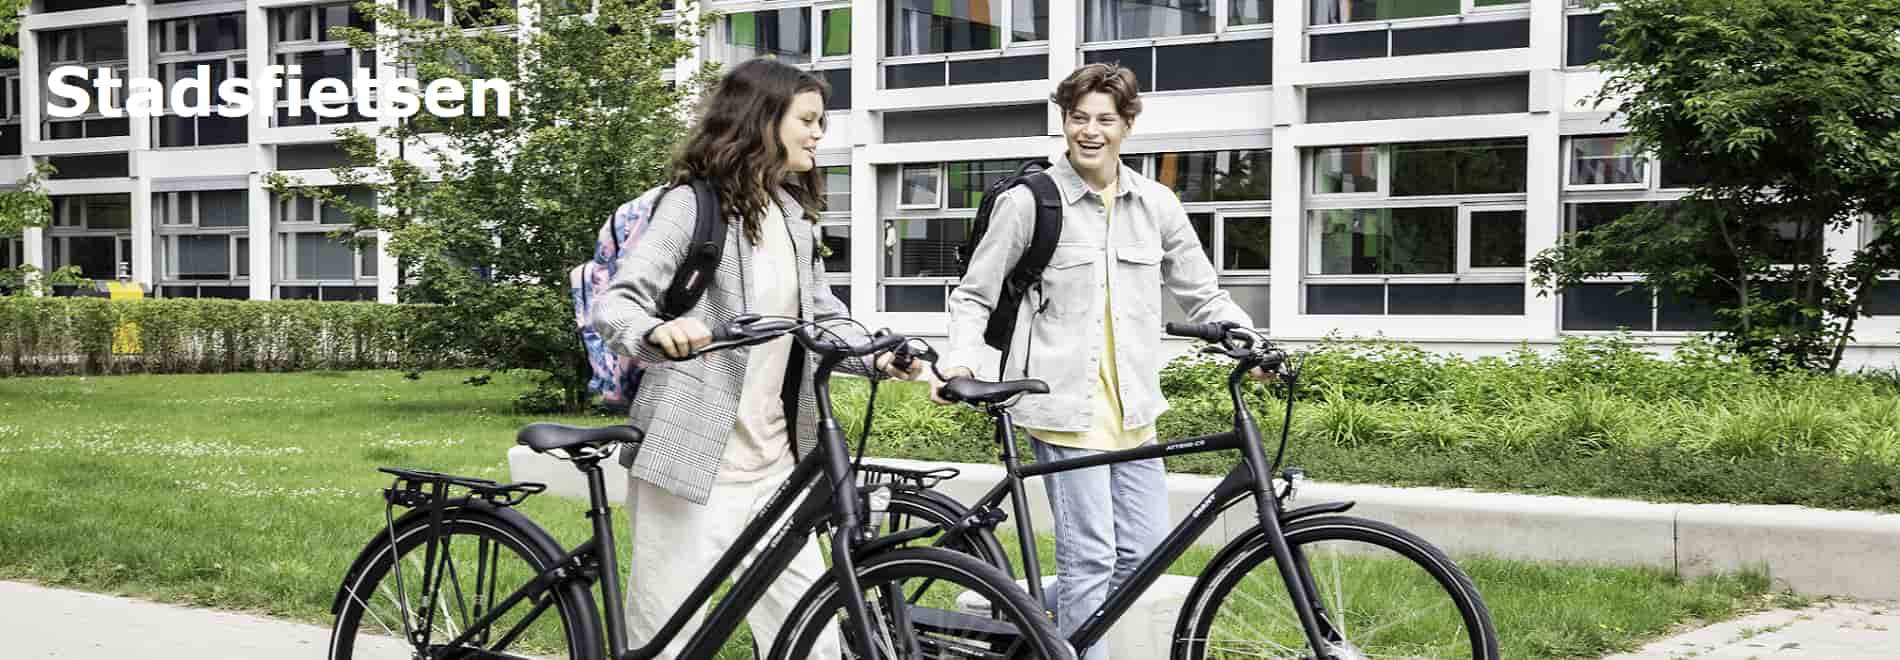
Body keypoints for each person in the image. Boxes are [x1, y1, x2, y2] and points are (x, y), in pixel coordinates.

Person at [930, 63, 1271, 660]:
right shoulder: (1028, 202)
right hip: (1062, 405)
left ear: (1128, 124)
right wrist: (959, 362)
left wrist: (1251, 339)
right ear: (1064, 121)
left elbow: (1202, 292)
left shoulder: (1155, 204)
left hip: (1134, 408)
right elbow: (974, 293)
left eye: (1105, 120)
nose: (1090, 131)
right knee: (1089, 559)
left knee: (1142, 556)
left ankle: (1009, 607)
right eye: (1078, 118)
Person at [591, 57, 920, 659]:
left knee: (813, 640)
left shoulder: (793, 218)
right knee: (668, 640)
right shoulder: (693, 206)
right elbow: (618, 304)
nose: (820, 134)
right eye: (809, 120)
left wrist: (880, 357)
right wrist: (657, 332)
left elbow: (820, 319)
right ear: (763, 120)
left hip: (775, 465)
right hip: (692, 459)